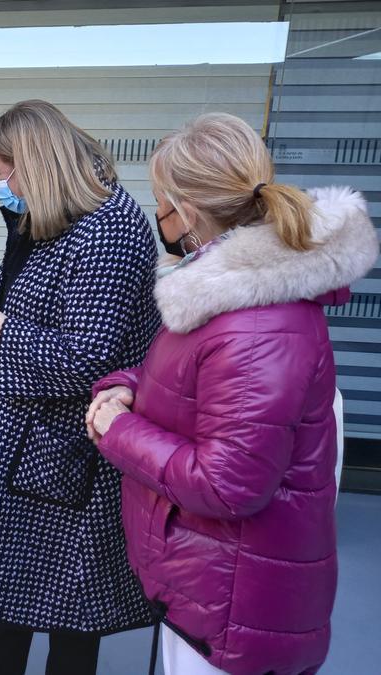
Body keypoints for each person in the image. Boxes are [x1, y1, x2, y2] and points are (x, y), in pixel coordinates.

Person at [88, 112, 376, 675]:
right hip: (211, 579)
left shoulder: (257, 323)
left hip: (234, 601)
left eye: (159, 203)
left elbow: (228, 483)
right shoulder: (224, 294)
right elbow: (193, 388)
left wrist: (117, 431)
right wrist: (126, 388)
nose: (157, 217)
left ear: (187, 211)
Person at [0, 100, 159, 675]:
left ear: (34, 166)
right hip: (23, 443)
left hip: (66, 453)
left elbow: (87, 360)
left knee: (69, 618)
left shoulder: (109, 230)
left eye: (1, 174)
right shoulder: (45, 220)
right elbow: (15, 302)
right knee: (8, 599)